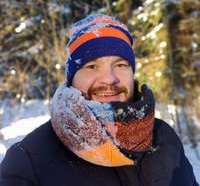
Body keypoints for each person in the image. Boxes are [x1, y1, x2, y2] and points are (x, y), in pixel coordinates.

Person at [0, 14, 198, 186]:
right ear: (72, 78)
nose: (109, 78)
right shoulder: (28, 161)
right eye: (92, 66)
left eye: (120, 65)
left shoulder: (164, 137)